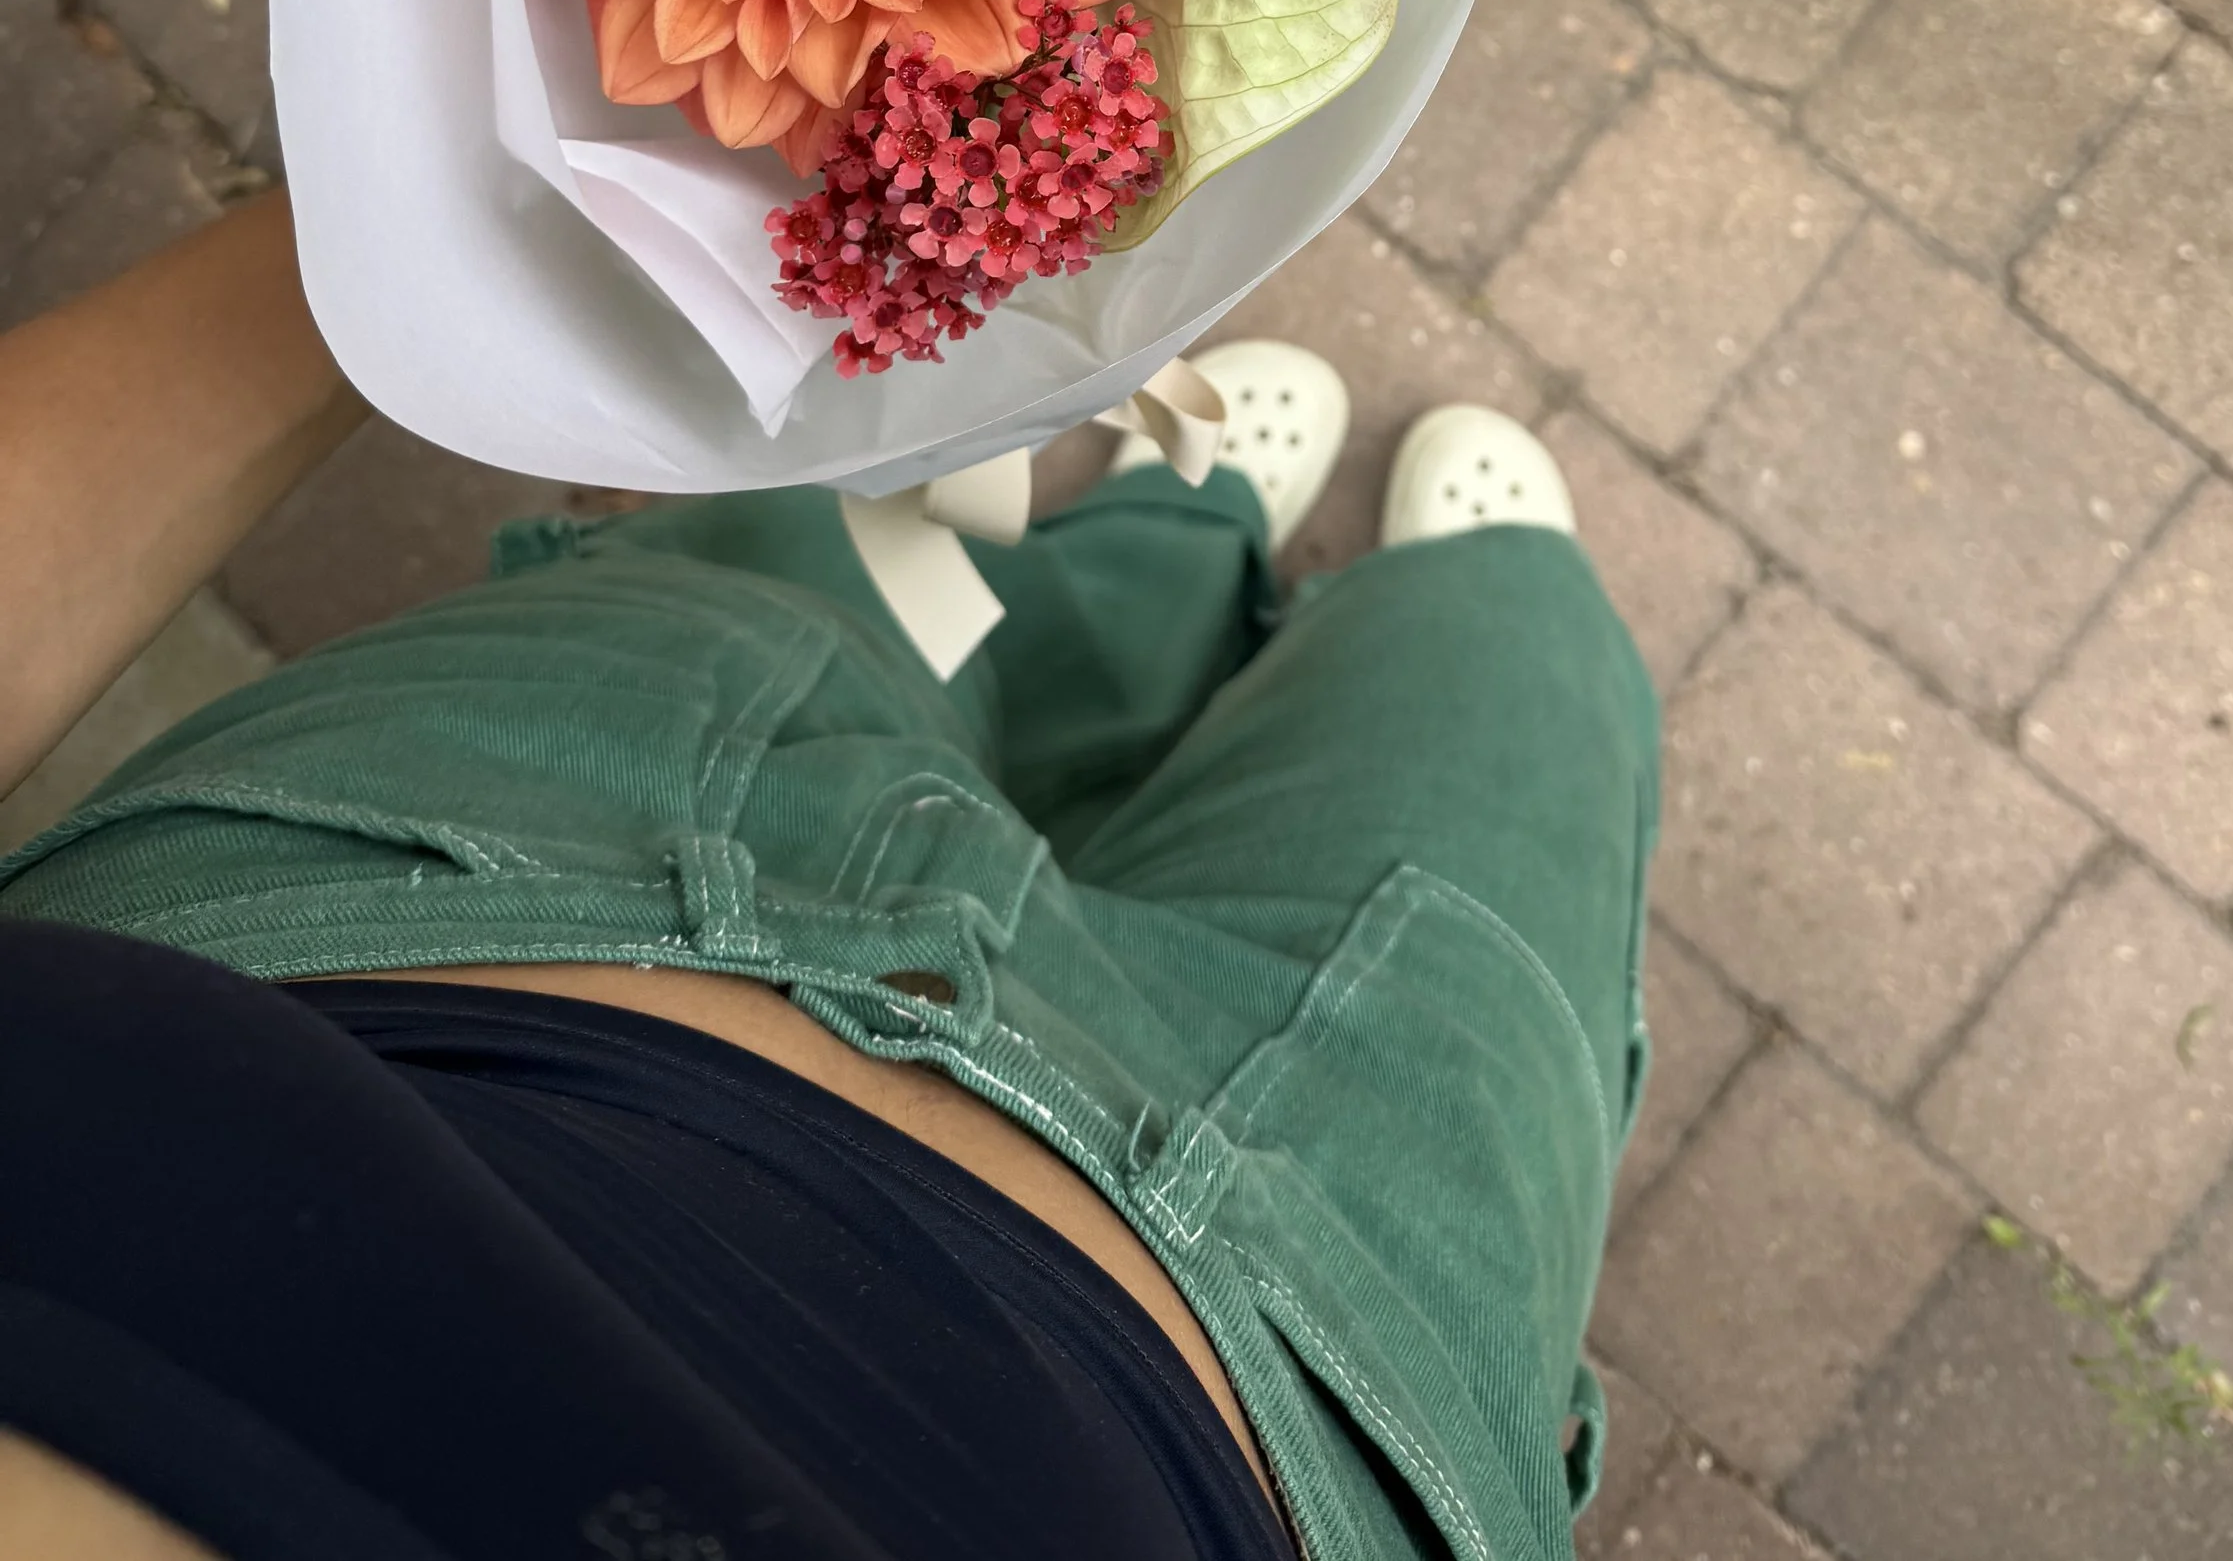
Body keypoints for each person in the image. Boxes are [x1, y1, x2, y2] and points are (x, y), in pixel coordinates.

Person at [0, 188, 1658, 1561]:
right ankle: (1426, 583)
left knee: (787, 565)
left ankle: (1175, 534)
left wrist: (436, 216)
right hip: (1306, 1404)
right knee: (1514, 700)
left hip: (424, 895)